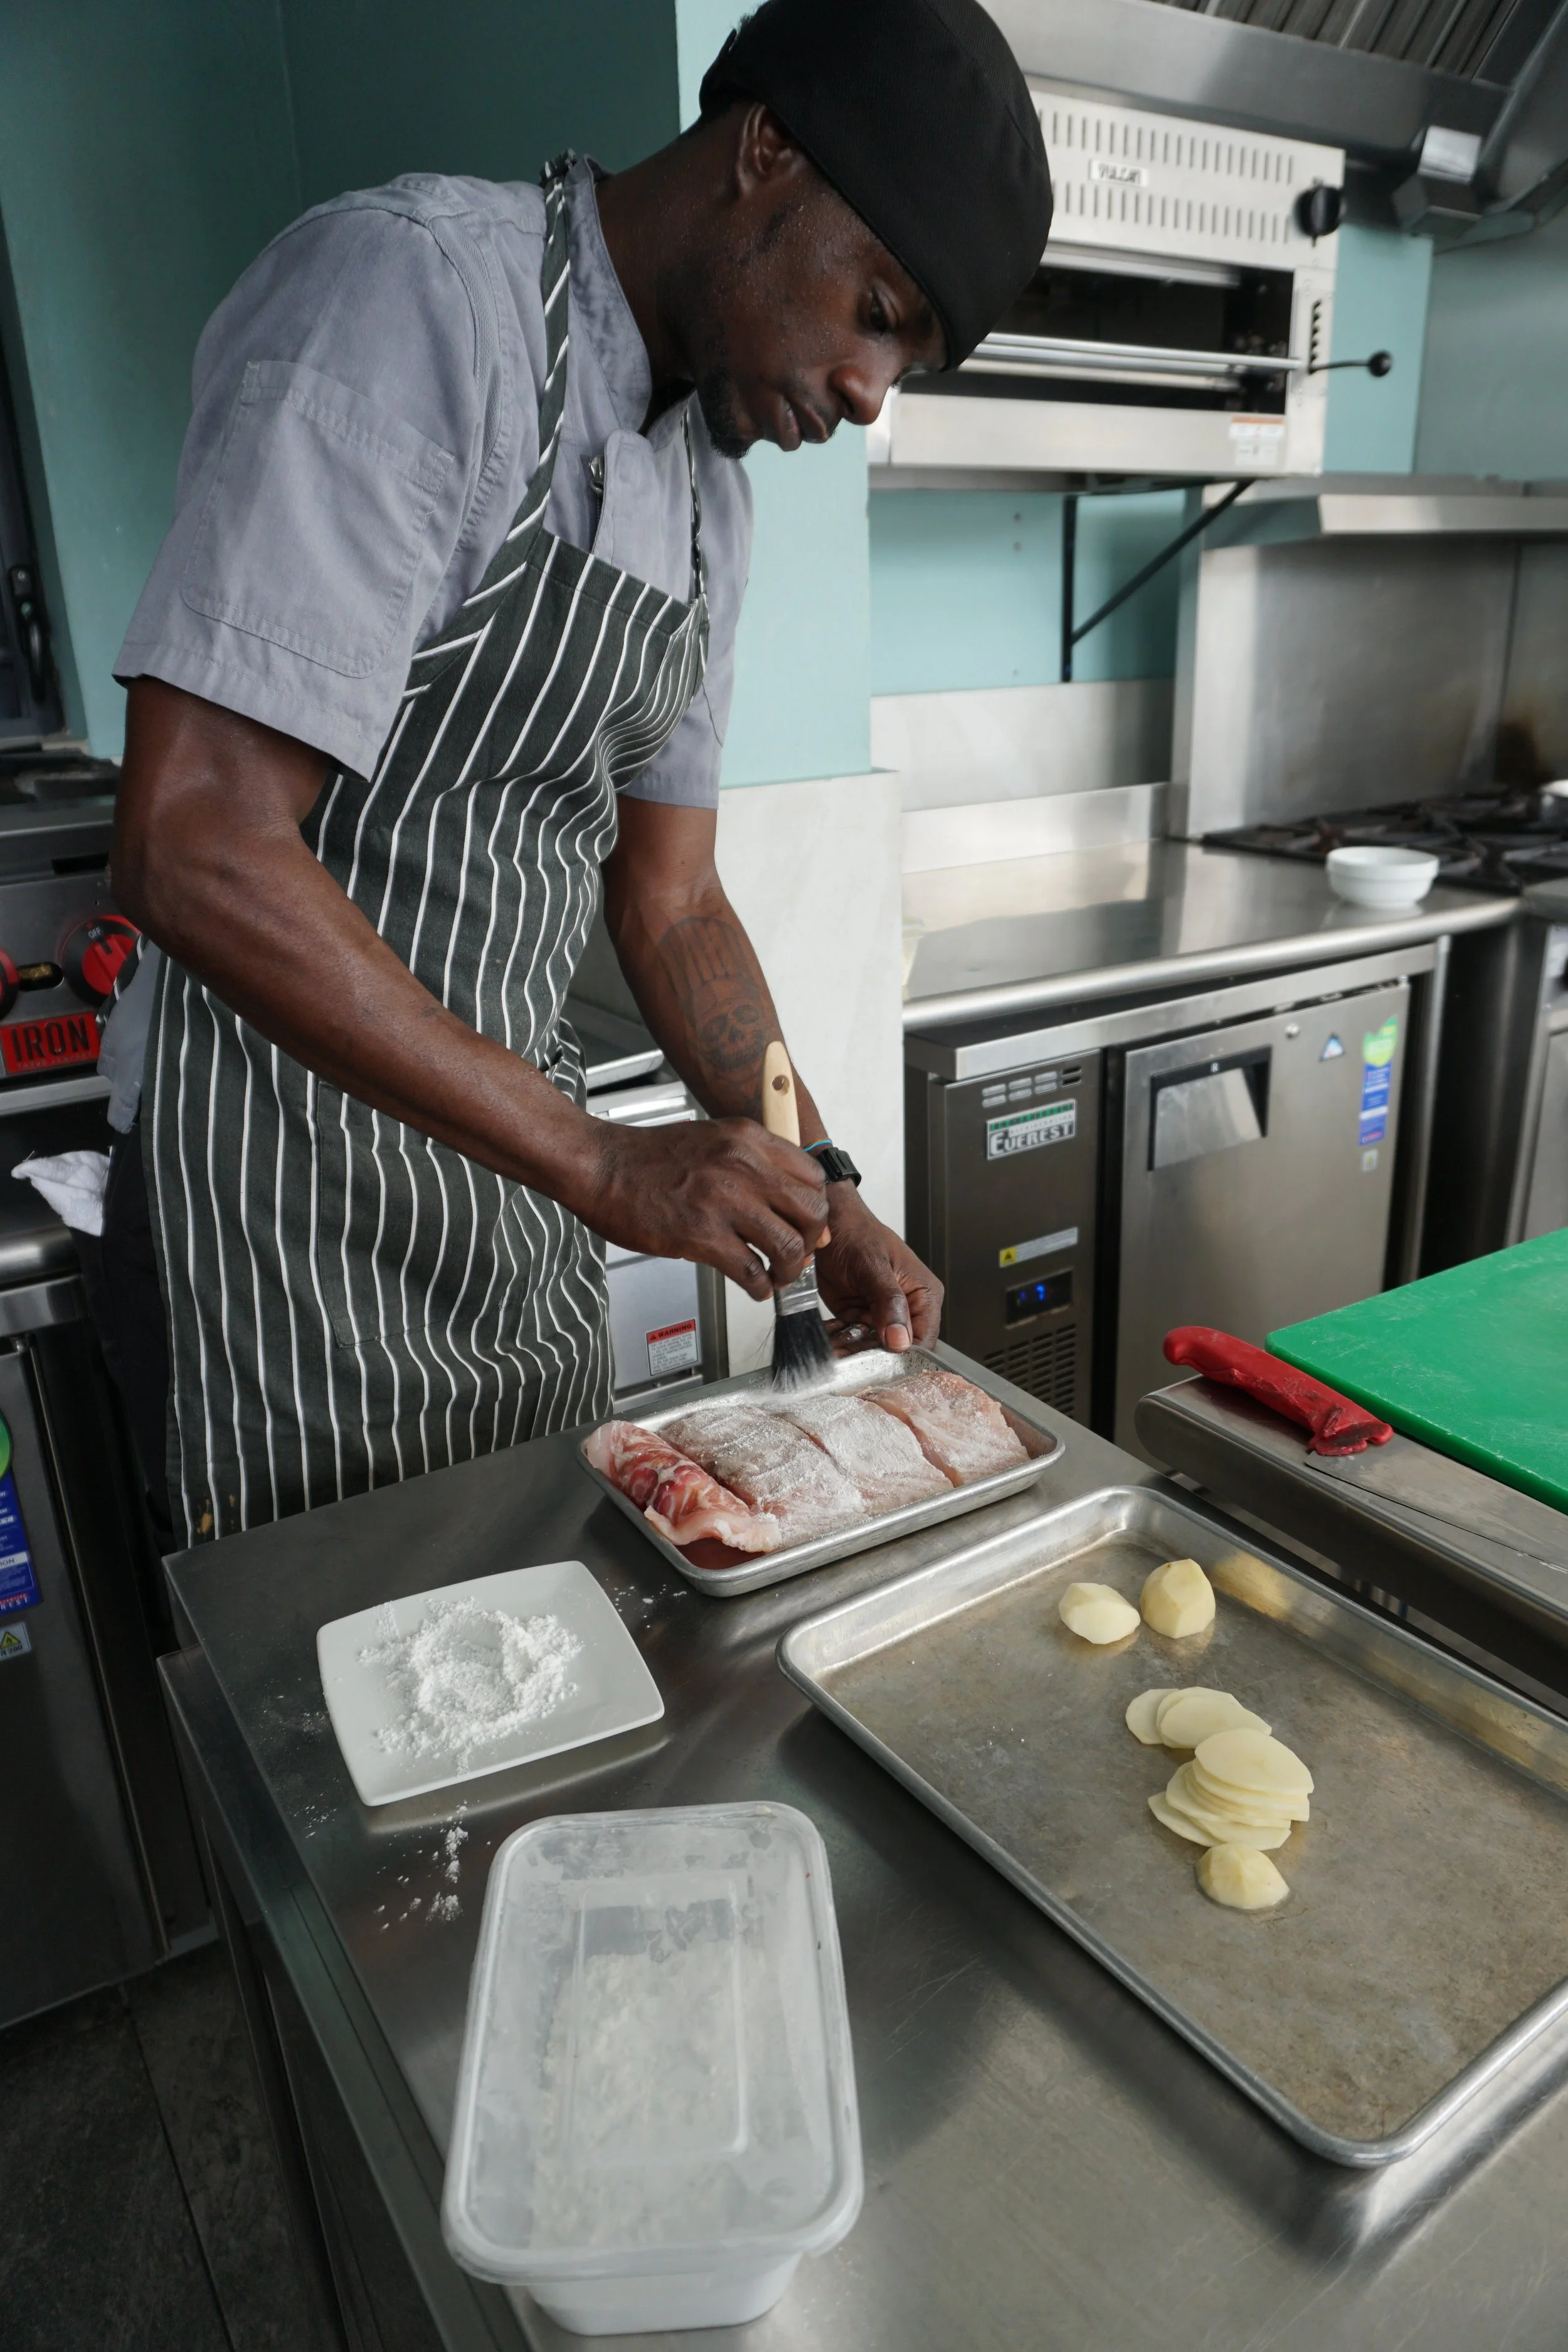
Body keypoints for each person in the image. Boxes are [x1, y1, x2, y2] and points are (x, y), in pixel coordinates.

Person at [98, 0, 1054, 1547]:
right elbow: (197, 837)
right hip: (267, 1226)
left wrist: (828, 1189)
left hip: (504, 1226)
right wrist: (603, 1158)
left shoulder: (708, 493)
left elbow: (671, 905)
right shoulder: (413, 301)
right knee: (324, 1729)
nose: (872, 392)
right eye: (874, 309)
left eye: (908, 357)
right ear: (765, 152)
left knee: (541, 1681)